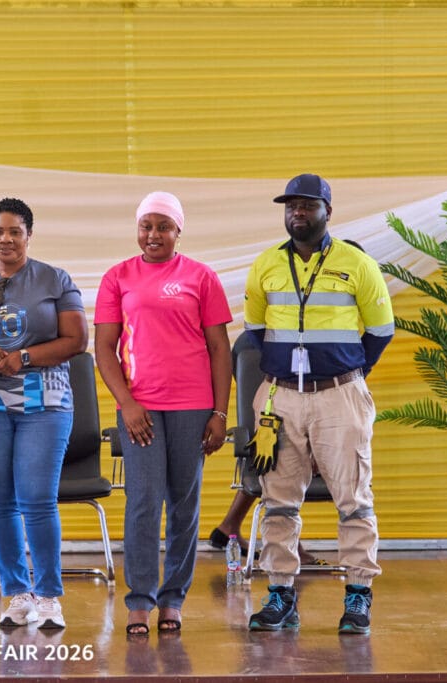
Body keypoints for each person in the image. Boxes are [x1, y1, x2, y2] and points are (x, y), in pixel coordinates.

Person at [243, 174, 393, 634]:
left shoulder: (357, 262)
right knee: (279, 502)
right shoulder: (266, 264)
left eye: (307, 205)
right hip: (279, 397)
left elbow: (381, 330)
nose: (297, 213)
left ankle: (358, 596)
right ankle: (281, 595)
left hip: (339, 396)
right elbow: (254, 331)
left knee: (353, 500)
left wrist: (343, 372)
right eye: (290, 206)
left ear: (328, 209)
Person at [94, 191, 232, 635]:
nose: (153, 234)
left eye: (163, 226)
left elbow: (218, 348)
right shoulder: (118, 277)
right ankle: (139, 601)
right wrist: (128, 405)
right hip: (142, 410)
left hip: (193, 408)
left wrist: (220, 412)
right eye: (146, 226)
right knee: (142, 503)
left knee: (184, 503)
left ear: (178, 231)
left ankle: (173, 599)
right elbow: (103, 348)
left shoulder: (201, 277)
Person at [0, 197, 88, 630]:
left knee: (36, 500)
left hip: (44, 406)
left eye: (15, 231)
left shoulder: (55, 279)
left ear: (29, 235)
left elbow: (77, 340)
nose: (6, 239)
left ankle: (48, 595)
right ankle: (16, 592)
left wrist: (23, 357)